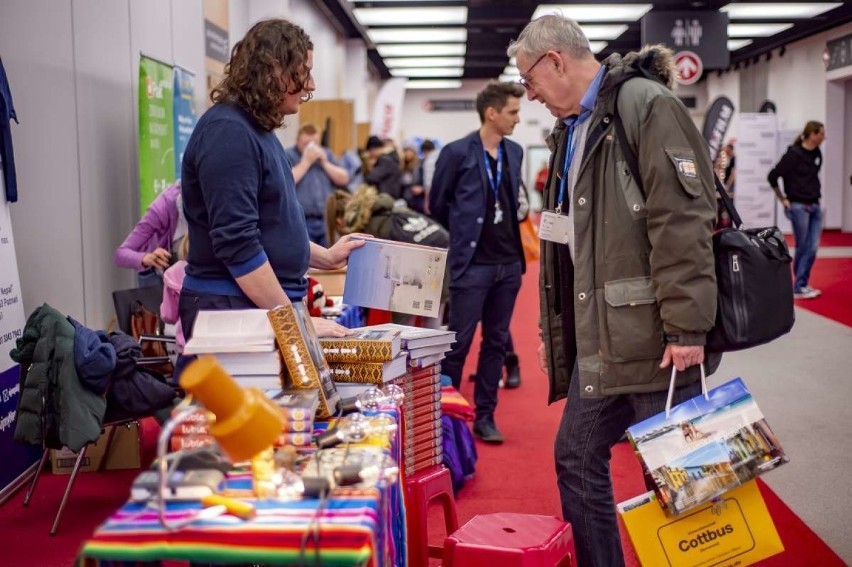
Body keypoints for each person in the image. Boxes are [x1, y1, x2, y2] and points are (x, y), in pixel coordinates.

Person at [509, 15, 720, 566]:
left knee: (683, 478)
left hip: (656, 338)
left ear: (554, 60)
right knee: (575, 460)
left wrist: (687, 327)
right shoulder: (572, 129)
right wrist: (550, 328)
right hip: (600, 338)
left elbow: (683, 220)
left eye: (528, 80)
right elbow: (563, 240)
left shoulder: (645, 106)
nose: (528, 96)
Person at [179, 18, 363, 341]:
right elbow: (238, 246)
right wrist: (296, 323)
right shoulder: (229, 132)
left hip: (254, 308)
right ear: (274, 70)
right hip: (232, 308)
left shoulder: (256, 130)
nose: (312, 85)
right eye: (304, 72)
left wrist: (326, 256)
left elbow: (270, 228)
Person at [428, 81, 526, 445]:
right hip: (472, 265)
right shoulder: (456, 153)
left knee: (496, 343)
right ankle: (448, 418)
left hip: (508, 264)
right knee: (459, 342)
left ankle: (486, 416)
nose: (518, 118)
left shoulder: (514, 152)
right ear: (492, 113)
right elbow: (437, 204)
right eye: (513, 112)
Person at [768, 121, 826, 299]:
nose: (824, 137)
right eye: (821, 133)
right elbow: (773, 176)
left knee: (813, 247)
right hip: (798, 206)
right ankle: (799, 285)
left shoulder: (817, 153)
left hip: (815, 204)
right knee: (803, 246)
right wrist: (783, 199)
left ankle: (802, 282)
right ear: (812, 134)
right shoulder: (793, 155)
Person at [284, 123, 349, 247]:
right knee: (306, 259)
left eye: (314, 143)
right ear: (297, 141)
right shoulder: (288, 155)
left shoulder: (326, 154)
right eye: (306, 144)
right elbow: (285, 181)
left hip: (326, 219)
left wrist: (324, 163)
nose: (311, 148)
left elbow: (344, 178)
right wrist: (306, 161)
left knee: (330, 259)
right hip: (301, 220)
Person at [114, 181, 186, 287]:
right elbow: (120, 254)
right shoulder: (163, 208)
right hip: (163, 283)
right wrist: (146, 258)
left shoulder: (213, 203)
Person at [363, 135, 403, 199]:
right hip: (388, 196)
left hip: (387, 197)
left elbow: (371, 178)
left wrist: (370, 167)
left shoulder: (385, 160)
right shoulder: (389, 159)